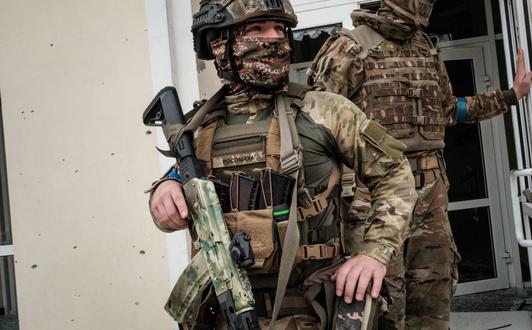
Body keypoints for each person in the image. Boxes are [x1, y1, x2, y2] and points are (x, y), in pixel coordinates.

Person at [147, 0, 417, 328]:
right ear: (219, 43)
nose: (274, 38)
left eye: (280, 29)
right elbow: (179, 197)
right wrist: (164, 191)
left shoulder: (325, 111)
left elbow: (395, 173)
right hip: (226, 310)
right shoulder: (197, 129)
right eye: (258, 29)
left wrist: (375, 252)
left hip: (312, 307)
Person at [307, 1, 532, 329]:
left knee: (434, 296)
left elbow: (446, 109)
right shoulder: (349, 48)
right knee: (382, 304)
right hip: (374, 199)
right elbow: (317, 127)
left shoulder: (425, 48)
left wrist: (511, 95)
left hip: (430, 197)